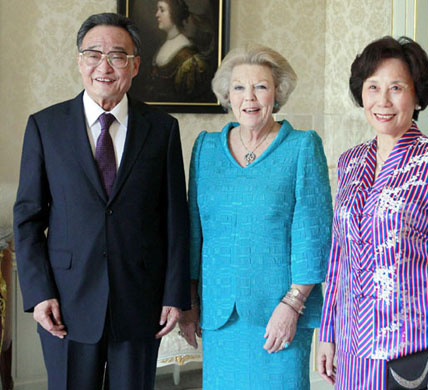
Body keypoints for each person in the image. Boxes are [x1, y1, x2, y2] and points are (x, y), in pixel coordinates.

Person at [13, 13, 190, 390]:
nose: (104, 66)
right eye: (93, 54)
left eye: (118, 56)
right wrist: (38, 292)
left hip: (140, 301)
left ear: (136, 64)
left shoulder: (162, 129)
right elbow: (28, 217)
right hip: (66, 301)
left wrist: (175, 295)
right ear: (80, 61)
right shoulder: (45, 127)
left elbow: (175, 218)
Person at [317, 36, 428, 390]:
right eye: (373, 87)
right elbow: (338, 255)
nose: (382, 101)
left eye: (396, 88)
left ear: (417, 95)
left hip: (410, 348)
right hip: (352, 342)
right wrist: (327, 331)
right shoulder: (350, 161)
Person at [179, 44, 333, 389]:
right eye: (239, 87)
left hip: (279, 312)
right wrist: (189, 302)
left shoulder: (302, 147)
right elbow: (193, 231)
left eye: (261, 86)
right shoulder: (205, 148)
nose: (249, 97)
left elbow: (314, 233)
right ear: (227, 96)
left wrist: (292, 306)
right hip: (220, 314)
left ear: (277, 93)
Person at [149, 0, 211, 102]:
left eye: (162, 10)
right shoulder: (164, 45)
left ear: (174, 14)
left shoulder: (189, 55)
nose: (157, 14)